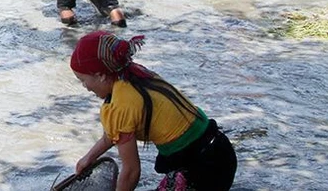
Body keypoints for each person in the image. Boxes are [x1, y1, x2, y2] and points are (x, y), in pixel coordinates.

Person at [70, 31, 237, 191]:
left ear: (101, 75)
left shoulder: (120, 105)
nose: (86, 87)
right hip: (220, 150)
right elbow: (114, 133)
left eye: (83, 80)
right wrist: (89, 158)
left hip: (203, 169)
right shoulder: (134, 75)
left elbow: (131, 172)